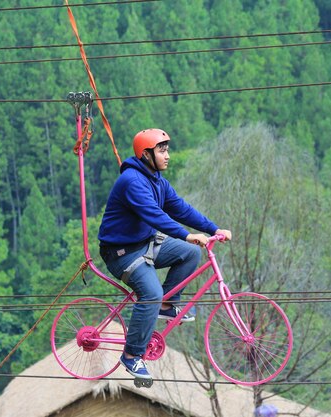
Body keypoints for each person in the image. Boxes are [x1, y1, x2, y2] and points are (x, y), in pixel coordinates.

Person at [98, 128, 232, 381]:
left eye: (167, 149)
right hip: (122, 253)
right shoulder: (132, 182)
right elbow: (154, 215)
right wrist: (186, 234)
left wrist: (213, 228)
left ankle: (168, 306)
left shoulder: (157, 180)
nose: (167, 155)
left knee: (191, 253)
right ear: (146, 154)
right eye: (162, 150)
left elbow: (180, 208)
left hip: (145, 244)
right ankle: (131, 356)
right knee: (151, 293)